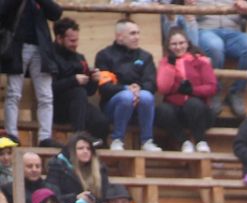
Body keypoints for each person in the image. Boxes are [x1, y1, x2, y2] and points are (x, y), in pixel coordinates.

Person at [93, 19, 159, 151]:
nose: (137, 37)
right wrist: (125, 88)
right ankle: (117, 139)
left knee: (146, 96)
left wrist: (138, 89)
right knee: (126, 97)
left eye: (138, 33)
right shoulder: (104, 55)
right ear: (119, 37)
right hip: (113, 106)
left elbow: (152, 83)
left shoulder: (146, 56)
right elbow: (105, 87)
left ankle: (147, 141)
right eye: (132, 33)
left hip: (140, 102)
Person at [155, 27, 216, 153]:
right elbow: (163, 87)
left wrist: (192, 90)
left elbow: (211, 87)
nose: (178, 47)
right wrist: (170, 66)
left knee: (193, 104)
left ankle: (200, 141)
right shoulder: (165, 62)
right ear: (169, 46)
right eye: (174, 44)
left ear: (187, 43)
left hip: (199, 112)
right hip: (176, 111)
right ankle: (183, 142)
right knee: (162, 110)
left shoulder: (201, 60)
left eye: (181, 43)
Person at [49, 20, 105, 146]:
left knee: (101, 121)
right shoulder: (50, 57)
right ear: (59, 38)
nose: (75, 44)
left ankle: (97, 149)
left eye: (77, 40)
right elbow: (50, 88)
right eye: (72, 41)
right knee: (78, 92)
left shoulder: (79, 58)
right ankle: (80, 139)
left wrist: (94, 80)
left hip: (79, 106)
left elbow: (89, 92)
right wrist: (73, 81)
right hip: (56, 107)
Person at [45, 133, 104, 203]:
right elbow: (52, 198)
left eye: (88, 148)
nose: (85, 151)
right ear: (71, 151)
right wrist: (75, 198)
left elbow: (105, 196)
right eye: (80, 148)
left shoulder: (99, 169)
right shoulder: (58, 167)